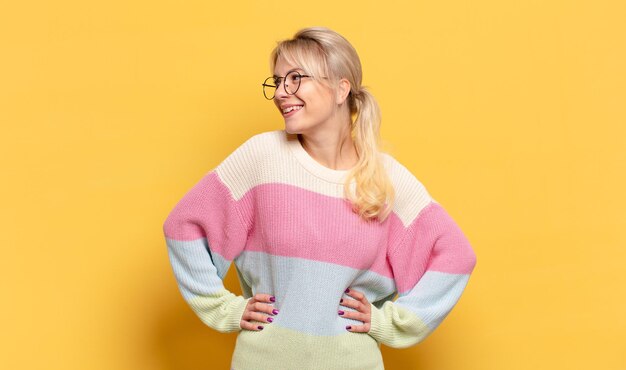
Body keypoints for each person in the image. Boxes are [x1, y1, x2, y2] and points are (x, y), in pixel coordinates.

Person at [163, 26, 477, 370]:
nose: (282, 92)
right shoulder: (262, 158)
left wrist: (389, 322)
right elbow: (183, 227)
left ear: (341, 88)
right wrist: (226, 309)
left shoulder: (384, 178)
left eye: (295, 79)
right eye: (278, 81)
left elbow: (456, 256)